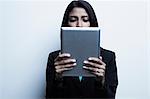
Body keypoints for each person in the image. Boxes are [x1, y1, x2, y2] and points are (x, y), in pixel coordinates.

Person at [46, 0, 118, 98]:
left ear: (92, 23)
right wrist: (58, 79)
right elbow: (50, 96)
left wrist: (101, 81)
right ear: (66, 24)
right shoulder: (55, 58)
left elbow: (110, 97)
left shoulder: (108, 57)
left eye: (85, 19)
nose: (79, 24)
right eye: (73, 19)